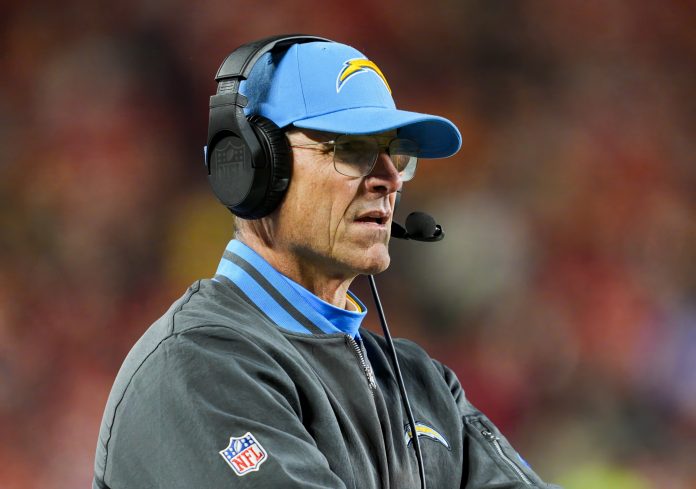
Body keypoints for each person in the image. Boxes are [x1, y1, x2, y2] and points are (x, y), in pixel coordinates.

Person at [93, 35, 560, 489]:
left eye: (394, 153)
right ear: (253, 167)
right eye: (352, 149)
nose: (390, 179)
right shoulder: (196, 369)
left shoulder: (422, 383)